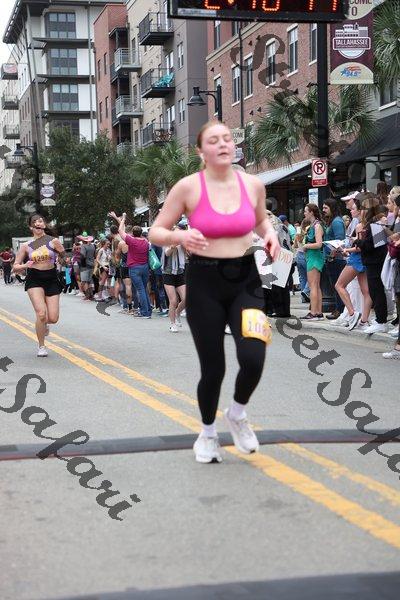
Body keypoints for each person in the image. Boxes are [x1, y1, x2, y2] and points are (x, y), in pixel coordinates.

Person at [149, 120, 280, 464]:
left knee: (253, 356)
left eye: (227, 138)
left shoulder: (252, 185)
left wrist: (270, 234)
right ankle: (207, 433)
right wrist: (180, 236)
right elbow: (156, 231)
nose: (223, 144)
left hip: (246, 281)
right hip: (204, 281)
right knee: (214, 368)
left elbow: (260, 220)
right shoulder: (188, 187)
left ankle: (236, 413)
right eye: (213, 140)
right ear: (200, 151)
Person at [12, 214, 66, 357]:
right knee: (41, 314)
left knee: (53, 318)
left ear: (44, 225)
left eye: (40, 221)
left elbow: (64, 257)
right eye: (35, 222)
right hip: (34, 279)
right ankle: (41, 346)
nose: (38, 223)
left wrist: (62, 258)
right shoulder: (26, 246)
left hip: (51, 278)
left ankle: (44, 324)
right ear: (31, 227)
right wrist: (25, 265)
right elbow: (15, 266)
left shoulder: (53, 241)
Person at [334, 196, 372, 330]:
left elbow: (359, 247)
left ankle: (352, 313)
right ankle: (364, 321)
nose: (351, 210)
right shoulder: (368, 224)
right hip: (364, 259)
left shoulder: (360, 225)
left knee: (339, 285)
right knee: (366, 291)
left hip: (356, 259)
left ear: (361, 211)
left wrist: (346, 249)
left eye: (354, 208)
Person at [355, 195, 389, 334]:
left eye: (364, 208)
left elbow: (372, 245)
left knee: (376, 291)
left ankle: (381, 321)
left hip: (375, 262)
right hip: (375, 261)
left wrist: (358, 242)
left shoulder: (375, 224)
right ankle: (380, 319)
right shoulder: (376, 223)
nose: (362, 210)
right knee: (375, 290)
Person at [118, 222, 152, 318]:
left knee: (140, 290)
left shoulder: (131, 241)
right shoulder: (146, 241)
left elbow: (120, 231)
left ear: (133, 233)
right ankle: (148, 311)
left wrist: (123, 219)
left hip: (134, 268)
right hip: (145, 267)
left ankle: (144, 312)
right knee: (144, 289)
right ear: (141, 233)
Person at [322, 198, 346, 320]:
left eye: (326, 208)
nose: (323, 210)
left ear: (332, 208)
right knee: (336, 285)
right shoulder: (333, 221)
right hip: (332, 258)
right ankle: (339, 308)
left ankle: (340, 310)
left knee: (338, 285)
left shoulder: (336, 222)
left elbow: (339, 240)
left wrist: (332, 254)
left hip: (336, 259)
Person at [161, 226, 187, 332]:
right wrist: (173, 247)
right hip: (168, 273)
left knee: (186, 298)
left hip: (179, 272)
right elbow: (167, 253)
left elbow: (187, 253)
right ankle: (172, 323)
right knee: (173, 300)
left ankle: (177, 312)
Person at [302, 204, 324, 320]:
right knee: (316, 286)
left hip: (314, 257)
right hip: (312, 257)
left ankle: (314, 312)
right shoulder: (313, 225)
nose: (304, 213)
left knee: (313, 286)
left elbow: (319, 244)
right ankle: (318, 312)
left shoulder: (317, 226)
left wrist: (306, 246)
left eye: (306, 211)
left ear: (311, 212)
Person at [78, 232, 96, 300]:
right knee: (90, 280)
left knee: (84, 281)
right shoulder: (93, 246)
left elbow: (83, 256)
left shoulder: (83, 246)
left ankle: (87, 295)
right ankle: (91, 295)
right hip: (92, 264)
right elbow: (94, 255)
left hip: (85, 265)